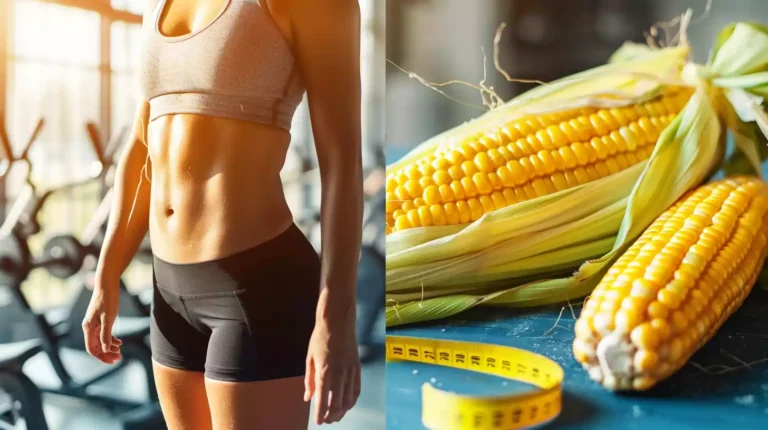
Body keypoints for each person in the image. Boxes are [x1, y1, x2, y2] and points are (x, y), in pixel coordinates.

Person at [81, 0, 363, 428]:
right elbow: (141, 151)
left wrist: (337, 317)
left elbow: (342, 160)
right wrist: (106, 275)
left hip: (258, 285)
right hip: (169, 289)